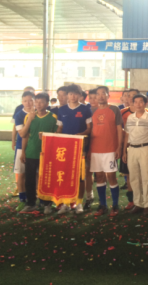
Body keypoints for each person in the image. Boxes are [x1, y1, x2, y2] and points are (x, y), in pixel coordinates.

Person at [19, 92, 59, 214]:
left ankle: (47, 203)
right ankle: (31, 203)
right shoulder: (29, 116)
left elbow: (57, 136)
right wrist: (23, 152)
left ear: (47, 104)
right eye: (36, 102)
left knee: (46, 179)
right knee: (30, 179)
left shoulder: (53, 117)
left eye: (41, 102)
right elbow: (23, 135)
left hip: (47, 154)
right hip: (31, 152)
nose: (38, 104)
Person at [56, 84, 92, 215]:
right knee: (66, 175)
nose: (72, 96)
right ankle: (66, 203)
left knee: (80, 176)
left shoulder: (85, 109)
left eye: (75, 94)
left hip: (80, 147)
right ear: (67, 95)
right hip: (65, 148)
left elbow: (89, 128)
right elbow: (60, 129)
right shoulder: (62, 110)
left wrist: (81, 134)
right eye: (70, 94)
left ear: (80, 95)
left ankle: (79, 203)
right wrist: (53, 138)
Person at [89, 86, 123, 217]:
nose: (100, 96)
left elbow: (119, 129)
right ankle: (102, 205)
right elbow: (89, 130)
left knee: (111, 177)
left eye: (103, 93)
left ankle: (115, 205)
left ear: (108, 95)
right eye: (98, 94)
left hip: (110, 149)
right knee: (99, 177)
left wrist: (119, 147)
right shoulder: (91, 111)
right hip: (95, 150)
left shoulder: (114, 109)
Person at [123, 94, 148, 215]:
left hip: (146, 149)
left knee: (146, 178)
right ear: (133, 103)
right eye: (136, 102)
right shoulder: (130, 118)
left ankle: (147, 205)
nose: (138, 104)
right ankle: (138, 204)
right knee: (134, 178)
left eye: (141, 102)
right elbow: (127, 135)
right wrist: (124, 151)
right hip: (132, 150)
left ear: (145, 104)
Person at [12, 91, 35, 212]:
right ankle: (22, 199)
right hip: (22, 147)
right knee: (21, 174)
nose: (28, 103)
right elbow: (21, 133)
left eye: (31, 100)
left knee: (37, 174)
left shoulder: (40, 113)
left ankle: (40, 199)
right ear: (22, 102)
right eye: (25, 101)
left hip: (36, 147)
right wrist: (30, 119)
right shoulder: (19, 115)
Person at [84, 88, 99, 210]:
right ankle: (89, 196)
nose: (93, 100)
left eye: (95, 98)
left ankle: (102, 200)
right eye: (91, 98)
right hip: (87, 145)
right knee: (87, 172)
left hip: (101, 146)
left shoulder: (106, 110)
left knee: (101, 173)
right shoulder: (85, 110)